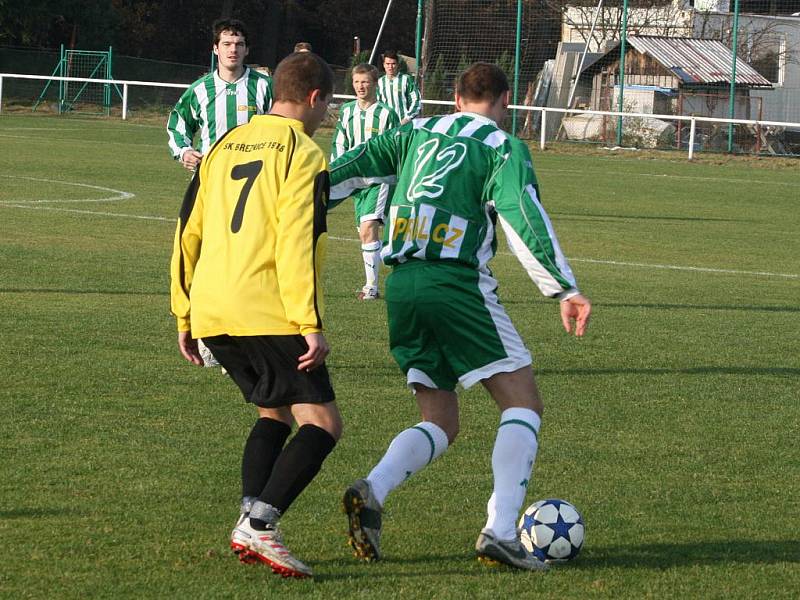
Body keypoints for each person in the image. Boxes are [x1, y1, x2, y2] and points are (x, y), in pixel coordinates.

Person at [328, 62, 592, 571]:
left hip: (401, 285)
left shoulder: (414, 129)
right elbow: (521, 210)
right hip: (454, 282)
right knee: (523, 402)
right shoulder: (502, 146)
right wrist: (563, 287)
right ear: (507, 100)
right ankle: (499, 530)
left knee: (440, 420)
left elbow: (352, 166)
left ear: (454, 96)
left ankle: (374, 489)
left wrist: (310, 197)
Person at [170, 51, 339, 579]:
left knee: (274, 413)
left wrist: (183, 313)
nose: (327, 115)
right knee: (323, 423)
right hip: (266, 307)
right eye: (327, 104)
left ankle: (251, 515)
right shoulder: (303, 153)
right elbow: (297, 241)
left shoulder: (223, 145)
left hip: (212, 308)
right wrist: (308, 322)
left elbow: (186, 229)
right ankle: (261, 525)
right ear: (314, 98)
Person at [167, 19, 273, 172]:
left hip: (254, 180)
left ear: (247, 50)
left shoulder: (265, 86)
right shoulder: (200, 89)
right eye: (227, 44)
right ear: (216, 49)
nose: (233, 50)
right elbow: (178, 124)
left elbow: (284, 128)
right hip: (209, 179)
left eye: (239, 44)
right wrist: (184, 151)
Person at [331, 63, 400, 300]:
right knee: (364, 232)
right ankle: (396, 264)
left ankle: (371, 287)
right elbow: (340, 142)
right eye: (357, 82)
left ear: (375, 84)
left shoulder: (387, 113)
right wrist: (336, 169)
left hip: (379, 178)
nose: (361, 86)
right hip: (354, 179)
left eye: (365, 82)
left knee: (369, 228)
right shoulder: (347, 110)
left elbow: (394, 147)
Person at [377, 50, 421, 125]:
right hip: (386, 125)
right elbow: (377, 104)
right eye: (388, 64)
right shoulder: (379, 82)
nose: (390, 67)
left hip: (404, 124)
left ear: (397, 65)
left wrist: (407, 118)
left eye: (393, 64)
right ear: (384, 65)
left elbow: (416, 100)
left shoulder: (406, 79)